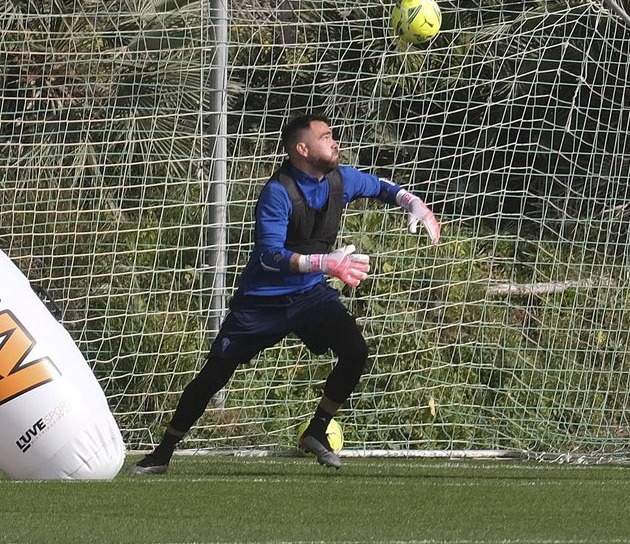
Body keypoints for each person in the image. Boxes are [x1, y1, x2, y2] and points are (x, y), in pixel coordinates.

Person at [128, 112, 440, 474]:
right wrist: (323, 263)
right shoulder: (278, 193)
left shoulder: (341, 180)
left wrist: (411, 201)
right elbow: (270, 256)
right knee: (213, 377)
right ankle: (162, 454)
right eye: (326, 137)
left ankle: (316, 431)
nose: (335, 142)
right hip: (262, 302)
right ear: (302, 148)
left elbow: (381, 187)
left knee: (355, 351)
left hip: (310, 296)